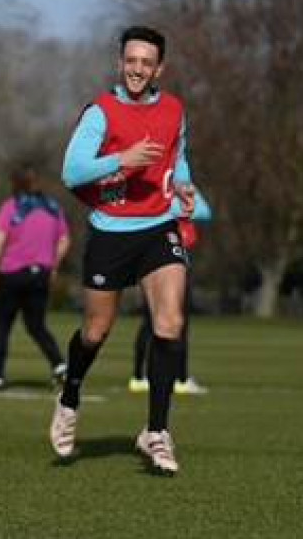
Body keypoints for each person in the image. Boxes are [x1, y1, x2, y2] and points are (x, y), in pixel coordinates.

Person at [50, 25, 198, 475]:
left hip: (159, 228)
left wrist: (186, 185)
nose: (137, 69)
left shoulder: (174, 110)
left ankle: (156, 431)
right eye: (130, 61)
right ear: (121, 62)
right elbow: (72, 172)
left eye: (146, 63)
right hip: (110, 233)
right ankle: (70, 395)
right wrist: (122, 159)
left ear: (159, 69)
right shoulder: (102, 111)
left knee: (170, 322)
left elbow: (178, 158)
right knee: (96, 331)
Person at [0, 164, 69, 391]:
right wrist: (54, 265)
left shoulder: (11, 207)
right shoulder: (53, 208)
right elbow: (64, 240)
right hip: (41, 274)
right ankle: (59, 364)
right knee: (37, 325)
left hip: (12, 274)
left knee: (2, 326)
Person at [128, 194, 212, 395]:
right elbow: (201, 210)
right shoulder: (165, 191)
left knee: (153, 321)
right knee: (171, 321)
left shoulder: (158, 190)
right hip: (166, 263)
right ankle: (178, 378)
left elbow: (203, 212)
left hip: (159, 260)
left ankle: (141, 376)